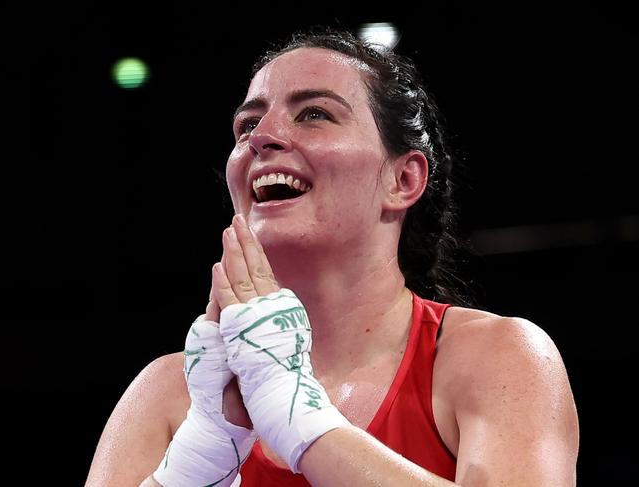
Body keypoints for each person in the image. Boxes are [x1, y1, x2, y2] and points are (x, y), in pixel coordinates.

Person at [85, 29, 580, 486]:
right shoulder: (169, 395)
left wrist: (298, 417)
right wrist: (198, 456)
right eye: (247, 124)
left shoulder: (493, 358)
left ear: (402, 180)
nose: (260, 138)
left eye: (315, 113)